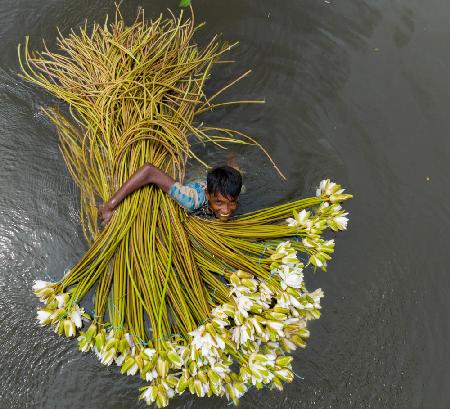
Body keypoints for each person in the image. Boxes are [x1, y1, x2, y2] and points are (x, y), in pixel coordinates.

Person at [98, 163, 242, 224]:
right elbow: (149, 171)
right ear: (208, 195)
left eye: (232, 203)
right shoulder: (191, 200)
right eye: (219, 203)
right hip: (195, 181)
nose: (226, 210)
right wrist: (110, 205)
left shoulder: (233, 193)